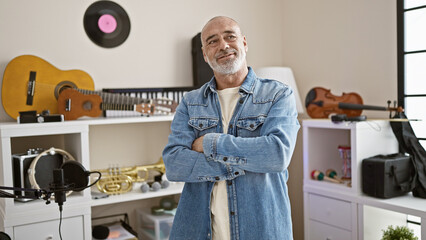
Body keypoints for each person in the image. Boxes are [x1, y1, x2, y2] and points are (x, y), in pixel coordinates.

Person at [162, 16, 300, 240]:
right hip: (199, 231)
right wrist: (243, 163)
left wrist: (209, 143)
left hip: (262, 230)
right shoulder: (190, 102)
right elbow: (174, 164)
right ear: (205, 54)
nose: (223, 45)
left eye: (230, 36)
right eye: (212, 41)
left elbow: (276, 155)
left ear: (244, 43)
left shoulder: (278, 94)